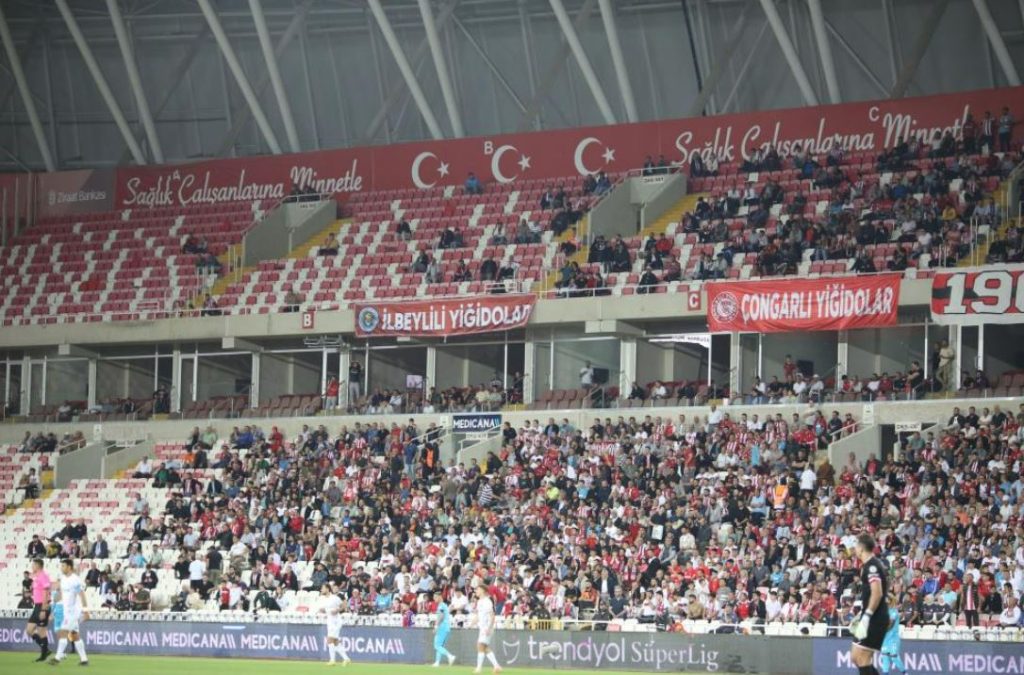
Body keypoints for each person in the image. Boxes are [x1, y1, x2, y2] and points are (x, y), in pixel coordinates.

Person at [850, 533, 889, 675]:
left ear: (861, 548)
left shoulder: (872, 566)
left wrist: (867, 615)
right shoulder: (869, 565)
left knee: (862, 658)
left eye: (856, 546)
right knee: (856, 657)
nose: (854, 549)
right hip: (871, 615)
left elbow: (877, 593)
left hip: (875, 618)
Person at [50, 558, 89, 666]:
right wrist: (55, 601)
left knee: (63, 632)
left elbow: (82, 595)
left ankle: (57, 658)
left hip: (73, 611)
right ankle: (84, 659)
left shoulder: (75, 579)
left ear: (69, 567)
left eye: (63, 566)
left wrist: (85, 611)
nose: (61, 568)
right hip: (67, 611)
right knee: (75, 635)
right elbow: (63, 594)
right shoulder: (63, 579)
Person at [27, 559, 52, 662]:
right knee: (29, 630)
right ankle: (46, 649)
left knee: (42, 631)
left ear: (38, 565)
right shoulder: (37, 576)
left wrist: (43, 609)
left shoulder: (43, 576)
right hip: (37, 606)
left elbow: (46, 591)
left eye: (33, 565)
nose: (32, 566)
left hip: (42, 606)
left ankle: (43, 655)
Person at [320, 584, 350, 666]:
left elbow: (344, 605)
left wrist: (337, 610)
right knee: (335, 642)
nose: (321, 590)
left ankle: (332, 660)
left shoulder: (334, 598)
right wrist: (323, 610)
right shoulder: (323, 599)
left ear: (328, 589)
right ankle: (346, 659)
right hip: (330, 620)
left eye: (323, 588)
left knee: (329, 640)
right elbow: (325, 609)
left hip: (336, 621)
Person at [474, 585, 501, 674]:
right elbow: (478, 616)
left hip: (486, 627)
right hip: (482, 627)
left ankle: (479, 669)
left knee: (480, 646)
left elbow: (492, 616)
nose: (476, 591)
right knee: (485, 648)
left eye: (477, 589)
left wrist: (489, 628)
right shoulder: (479, 602)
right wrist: (471, 624)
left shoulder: (487, 602)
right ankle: (497, 666)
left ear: (482, 590)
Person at [878, 594, 906, 675]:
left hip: (893, 638)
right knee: (885, 657)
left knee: (894, 657)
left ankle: (905, 673)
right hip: (885, 639)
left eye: (886, 600)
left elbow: (890, 626)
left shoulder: (894, 612)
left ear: (890, 601)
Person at [432, 591, 456, 667]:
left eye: (435, 597)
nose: (434, 599)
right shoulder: (444, 605)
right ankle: (437, 662)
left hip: (442, 627)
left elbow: (441, 617)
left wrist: (436, 626)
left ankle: (450, 656)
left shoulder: (441, 605)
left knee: (437, 646)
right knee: (440, 646)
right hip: (446, 628)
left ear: (440, 597)